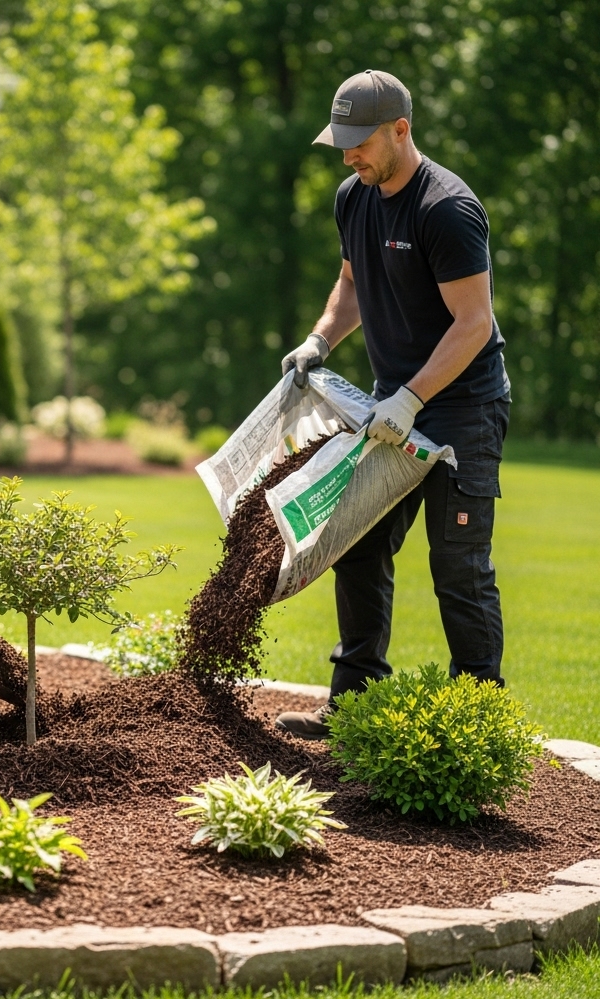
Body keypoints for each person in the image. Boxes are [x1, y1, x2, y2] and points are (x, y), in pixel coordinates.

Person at [274, 70, 510, 740]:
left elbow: (472, 324)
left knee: (459, 569)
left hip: (462, 407)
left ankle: (478, 720)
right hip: (392, 405)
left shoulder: (446, 209)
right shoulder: (355, 197)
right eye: (342, 142)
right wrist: (319, 340)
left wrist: (410, 399)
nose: (348, 155)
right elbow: (351, 285)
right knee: (359, 544)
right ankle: (355, 703)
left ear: (401, 130)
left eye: (360, 142)